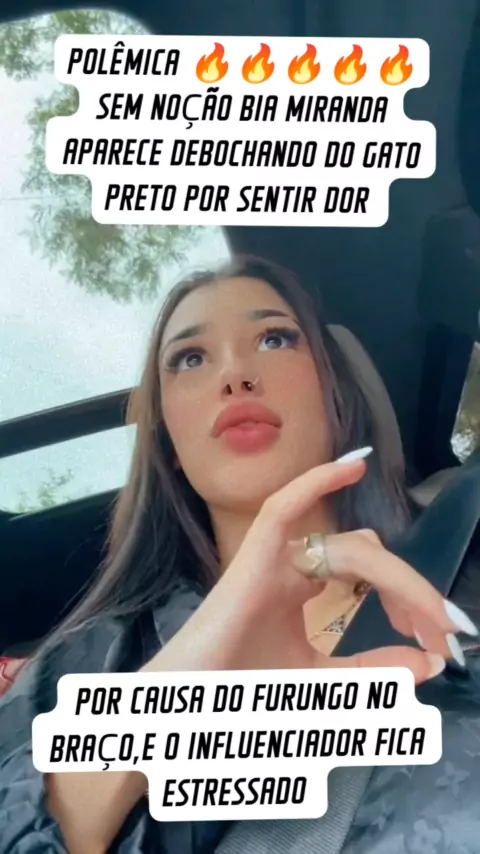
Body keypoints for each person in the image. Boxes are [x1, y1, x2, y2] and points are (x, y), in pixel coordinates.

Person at [0, 255, 478, 854]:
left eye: (275, 339)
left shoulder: (466, 561)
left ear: (335, 398)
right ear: (169, 444)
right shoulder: (82, 665)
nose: (235, 376)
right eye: (189, 358)